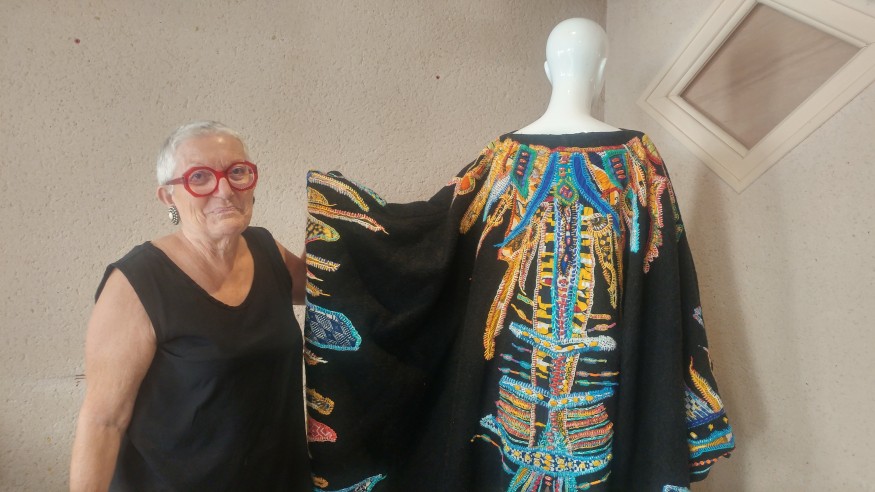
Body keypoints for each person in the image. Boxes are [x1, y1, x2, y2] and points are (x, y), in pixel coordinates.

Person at [69, 121, 311, 491]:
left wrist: (335, 222)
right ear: (168, 196)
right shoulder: (138, 283)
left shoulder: (266, 249)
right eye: (199, 177)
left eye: (237, 172)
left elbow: (318, 289)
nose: (225, 190)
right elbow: (103, 422)